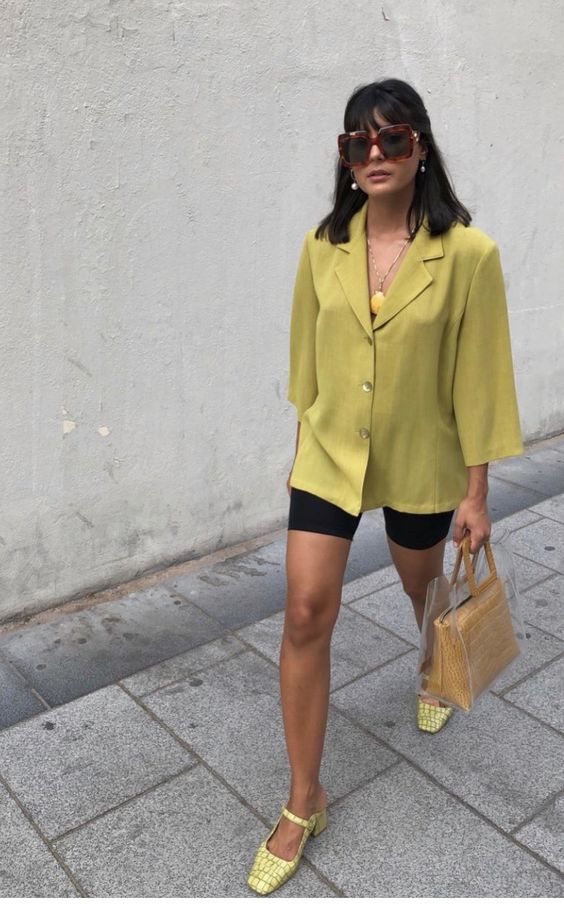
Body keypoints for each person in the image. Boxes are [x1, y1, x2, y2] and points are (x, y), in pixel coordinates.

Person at [246, 77, 523, 896]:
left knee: (419, 584)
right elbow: (307, 364)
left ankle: (433, 665)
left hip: (420, 458)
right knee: (305, 610)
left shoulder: (467, 254)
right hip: (329, 455)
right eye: (358, 142)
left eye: (391, 138)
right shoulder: (321, 246)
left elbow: (480, 380)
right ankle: (304, 799)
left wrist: (476, 494)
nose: (375, 154)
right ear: (345, 156)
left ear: (419, 148)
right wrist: (301, 455)